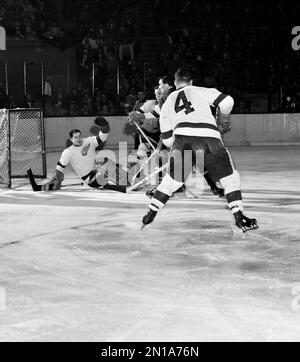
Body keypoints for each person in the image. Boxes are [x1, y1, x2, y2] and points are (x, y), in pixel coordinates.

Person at [142, 68, 258, 233]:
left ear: (175, 83)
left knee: (171, 182)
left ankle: (151, 212)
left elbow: (167, 139)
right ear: (191, 82)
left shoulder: (168, 102)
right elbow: (227, 102)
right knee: (230, 180)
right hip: (209, 137)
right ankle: (240, 216)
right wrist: (222, 118)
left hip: (182, 140)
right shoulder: (201, 90)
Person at [28, 117, 126, 192]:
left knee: (104, 161)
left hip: (97, 172)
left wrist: (104, 128)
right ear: (71, 139)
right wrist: (55, 181)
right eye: (75, 137)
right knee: (106, 165)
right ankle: (124, 182)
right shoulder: (68, 152)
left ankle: (119, 181)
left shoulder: (88, 141)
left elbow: (102, 137)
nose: (78, 139)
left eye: (79, 136)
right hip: (91, 179)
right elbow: (59, 169)